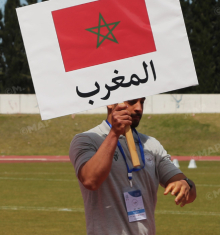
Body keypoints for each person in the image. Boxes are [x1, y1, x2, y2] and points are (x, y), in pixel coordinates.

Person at [69, 98, 196, 235]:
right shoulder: (87, 139)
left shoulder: (152, 144)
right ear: (110, 103)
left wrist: (185, 184)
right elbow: (90, 180)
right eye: (132, 101)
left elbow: (191, 194)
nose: (139, 108)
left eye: (142, 102)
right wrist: (114, 134)